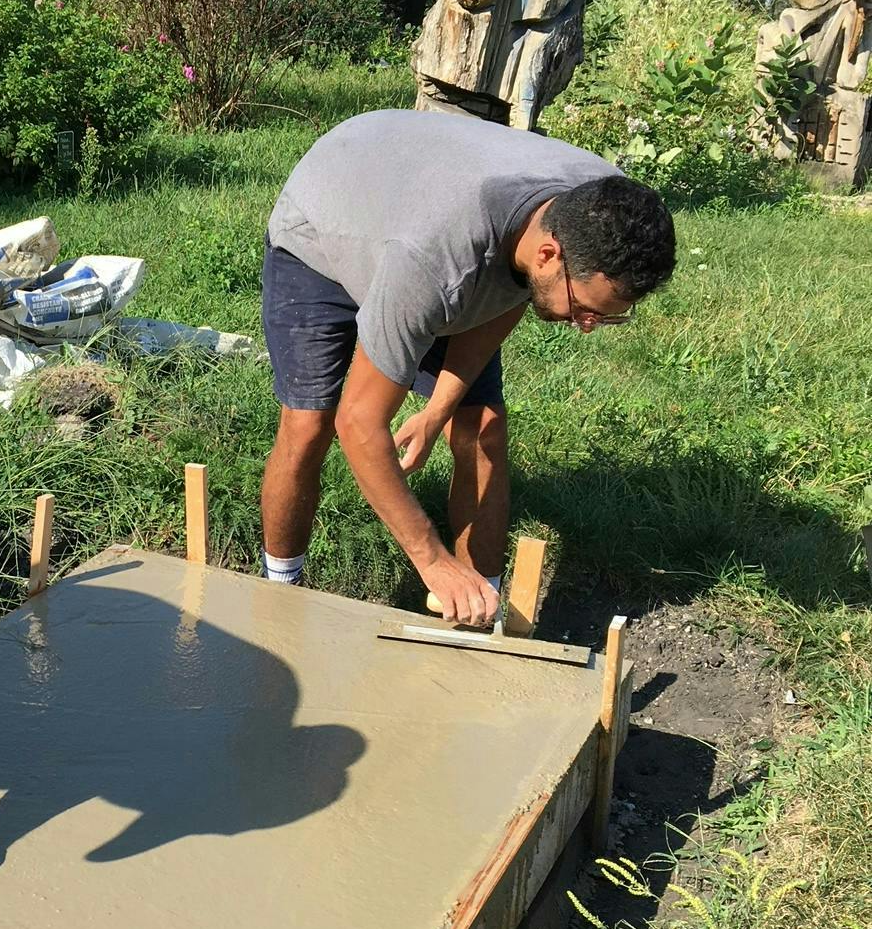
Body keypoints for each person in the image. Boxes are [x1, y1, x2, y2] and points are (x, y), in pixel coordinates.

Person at [260, 109, 676, 626]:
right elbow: (359, 424)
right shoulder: (433, 262)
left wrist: (438, 410)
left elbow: (501, 297)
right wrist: (433, 562)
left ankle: (480, 613)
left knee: (482, 429)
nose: (587, 325)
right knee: (309, 425)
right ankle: (280, 591)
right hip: (324, 225)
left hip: (420, 209)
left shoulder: (596, 208)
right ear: (548, 253)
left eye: (607, 316)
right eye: (585, 308)